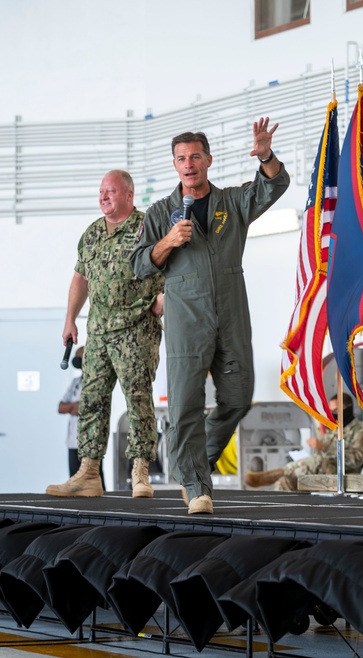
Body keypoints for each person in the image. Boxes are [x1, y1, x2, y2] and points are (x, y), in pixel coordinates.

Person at [130, 118, 290, 515]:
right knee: (185, 403)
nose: (189, 164)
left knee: (238, 398)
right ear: (175, 165)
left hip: (232, 311)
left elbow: (273, 186)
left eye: (195, 156)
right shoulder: (161, 212)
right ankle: (196, 485)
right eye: (181, 158)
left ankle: (192, 460)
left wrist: (265, 155)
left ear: (208, 160)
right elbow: (138, 265)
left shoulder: (232, 203)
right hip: (187, 315)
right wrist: (168, 241)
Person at [47, 170, 165, 499]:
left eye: (110, 191)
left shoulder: (149, 226)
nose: (103, 197)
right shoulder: (92, 234)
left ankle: (141, 472)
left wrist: (164, 295)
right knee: (92, 400)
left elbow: (177, 262)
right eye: (101, 192)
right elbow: (81, 278)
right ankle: (88, 473)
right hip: (97, 330)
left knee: (138, 400)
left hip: (136, 328)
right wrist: (70, 319)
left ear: (129, 194)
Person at [243, 393, 363, 491]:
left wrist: (323, 447)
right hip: (322, 472)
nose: (333, 414)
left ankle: (278, 472)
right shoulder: (334, 430)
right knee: (285, 482)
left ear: (348, 407)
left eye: (336, 410)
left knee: (319, 461)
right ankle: (280, 505)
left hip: (343, 474)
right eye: (331, 411)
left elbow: (355, 460)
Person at [59, 345, 84, 476]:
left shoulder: (97, 382)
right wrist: (74, 405)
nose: (76, 360)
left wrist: (78, 407)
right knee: (73, 477)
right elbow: (60, 407)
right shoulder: (75, 382)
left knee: (93, 477)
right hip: (73, 439)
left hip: (89, 441)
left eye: (79, 356)